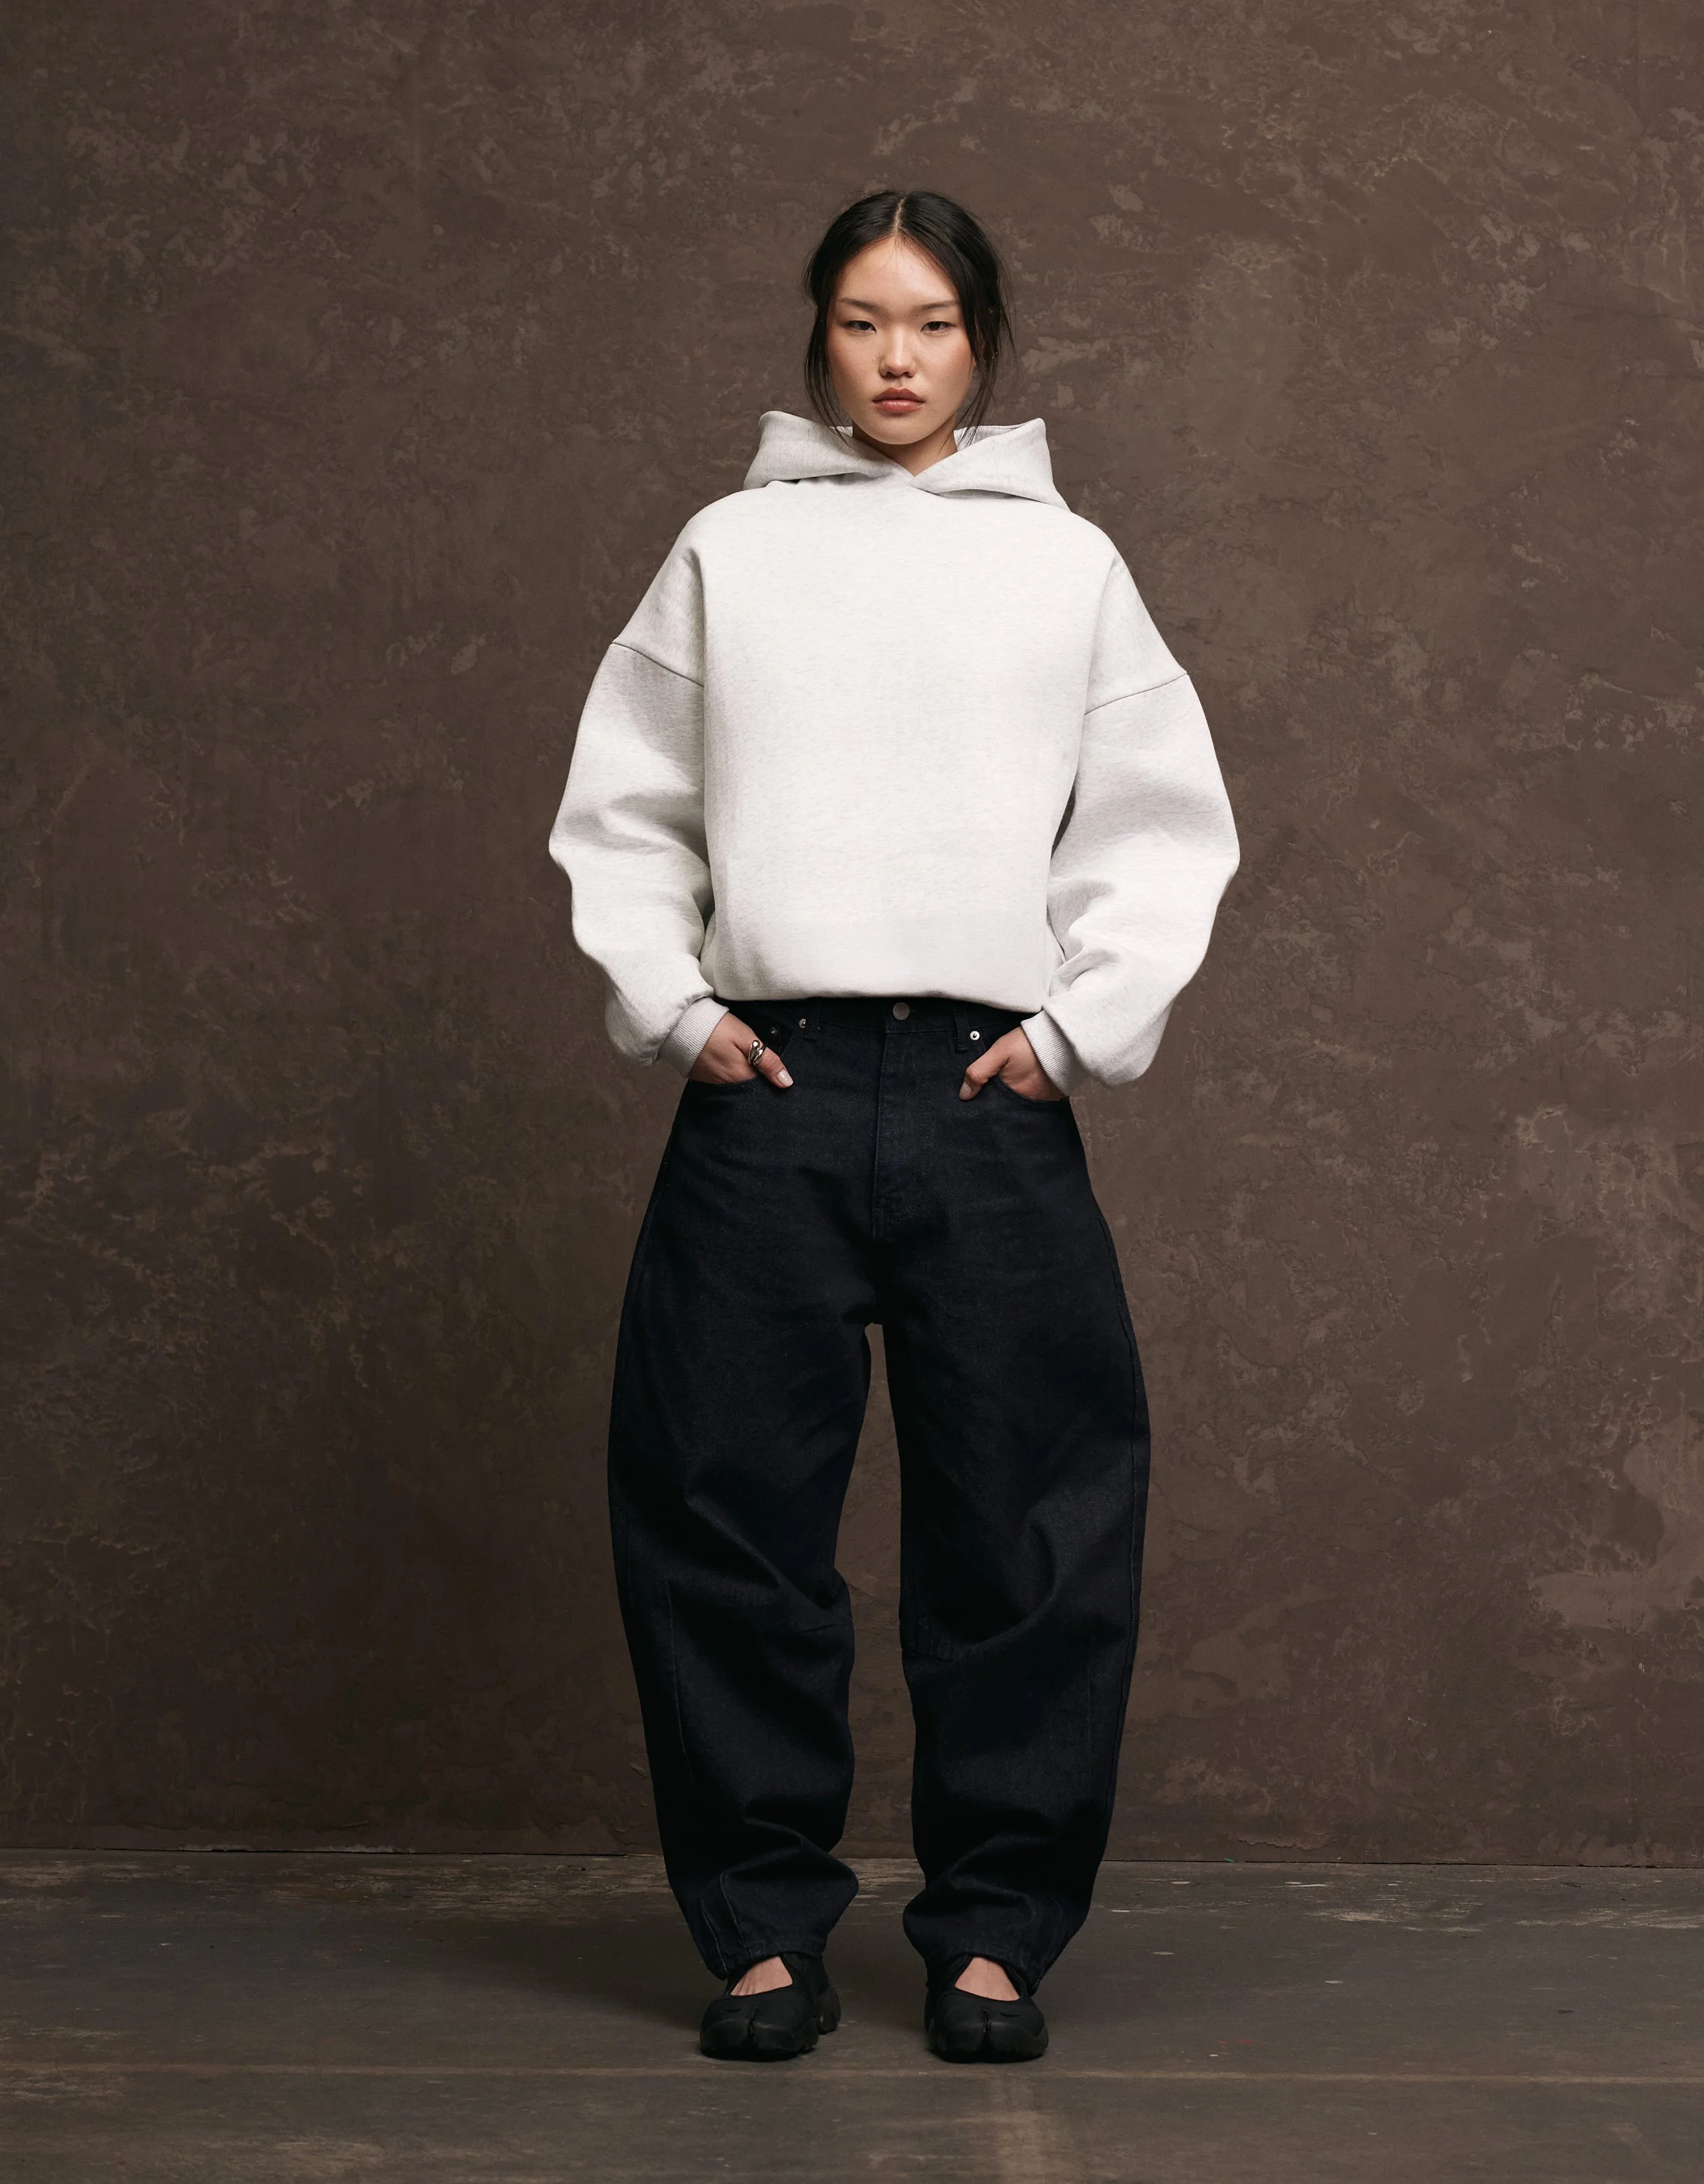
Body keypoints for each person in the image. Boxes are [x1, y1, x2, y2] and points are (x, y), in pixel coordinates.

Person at [548, 188, 1240, 2064]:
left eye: (931, 322)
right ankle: (761, 1931)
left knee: (1032, 1526)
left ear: (981, 342)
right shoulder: (730, 552)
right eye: (862, 321)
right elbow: (624, 805)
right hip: (762, 1092)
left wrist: (1077, 1028)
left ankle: (995, 1931)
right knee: (720, 1518)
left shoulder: (1065, 565)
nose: (897, 358)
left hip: (981, 1095)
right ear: (820, 339)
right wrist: (673, 1002)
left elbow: (1159, 819)